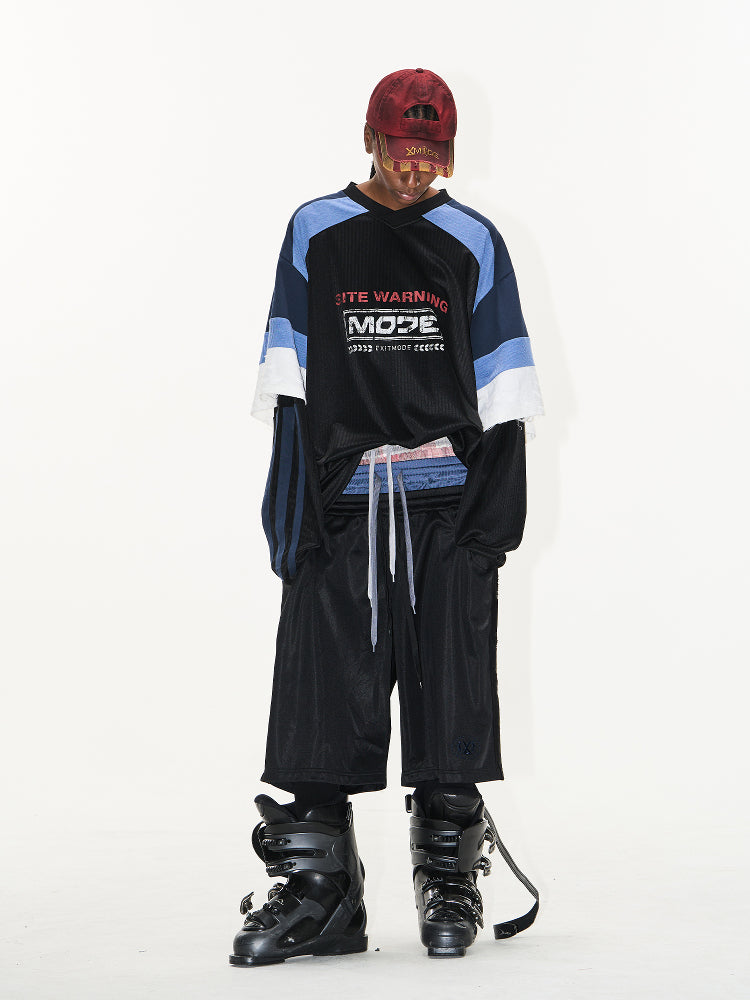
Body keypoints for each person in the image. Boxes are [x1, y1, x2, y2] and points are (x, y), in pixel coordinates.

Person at [229, 67, 545, 967]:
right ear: (370, 139)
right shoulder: (317, 231)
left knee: (453, 679)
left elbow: (505, 385)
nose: (416, 169)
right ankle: (321, 892)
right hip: (343, 499)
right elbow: (288, 378)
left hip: (448, 500)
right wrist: (292, 513)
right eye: (403, 150)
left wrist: (492, 523)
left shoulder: (471, 240)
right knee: (320, 686)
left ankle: (447, 870)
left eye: (433, 153)